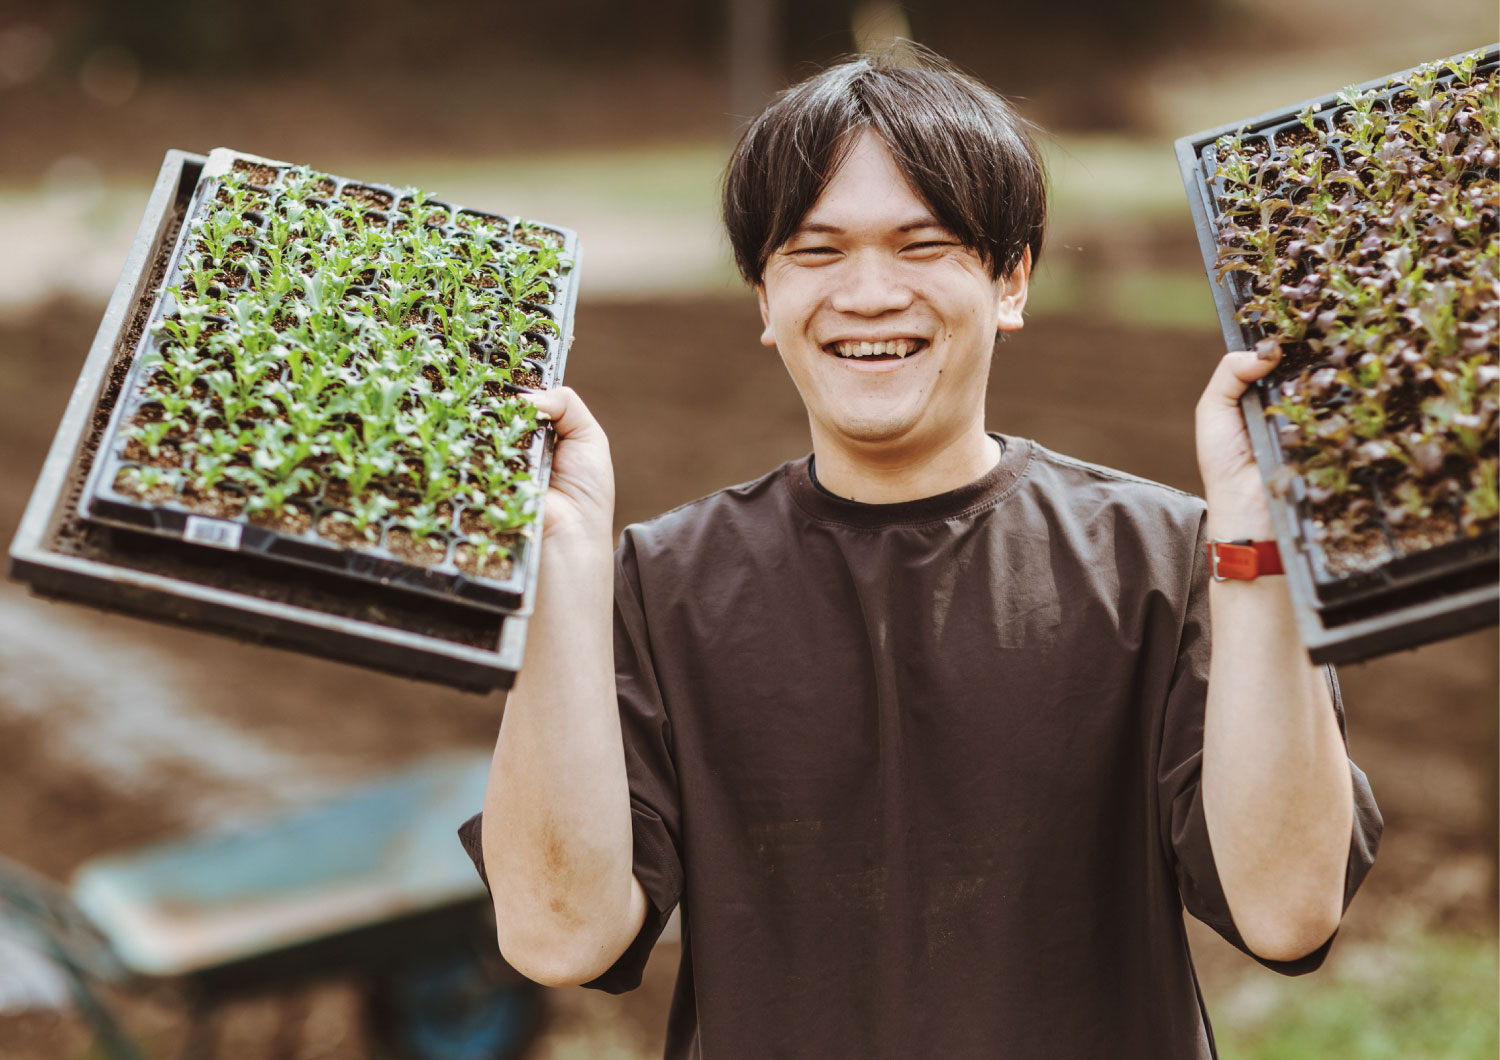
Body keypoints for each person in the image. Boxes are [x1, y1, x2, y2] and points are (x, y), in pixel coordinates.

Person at [459, 47, 1381, 1059]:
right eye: (814, 253)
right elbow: (559, 933)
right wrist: (558, 575)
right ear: (763, 297)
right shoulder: (656, 583)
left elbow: (1289, 911)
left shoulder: (1172, 559)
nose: (867, 293)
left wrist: (1258, 548)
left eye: (922, 244)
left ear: (1011, 280)